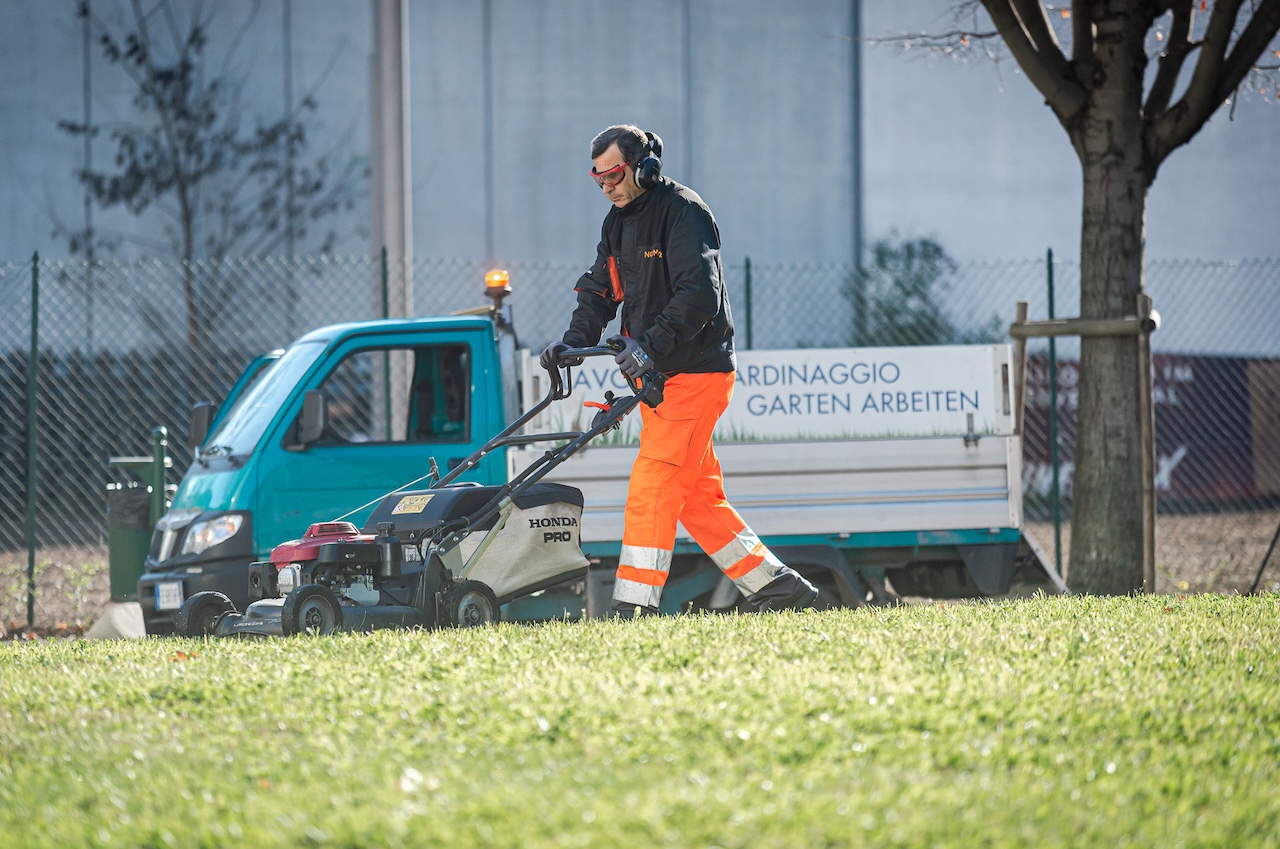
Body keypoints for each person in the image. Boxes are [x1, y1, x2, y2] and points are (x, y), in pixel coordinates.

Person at [540, 124, 819, 616]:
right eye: (597, 178)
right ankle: (777, 587)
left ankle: (634, 606)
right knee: (695, 496)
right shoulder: (617, 223)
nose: (606, 185)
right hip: (660, 381)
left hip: (695, 372)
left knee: (654, 484)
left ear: (645, 167)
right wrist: (573, 342)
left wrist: (649, 346)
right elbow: (600, 289)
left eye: (615, 174)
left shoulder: (684, 212)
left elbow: (700, 295)